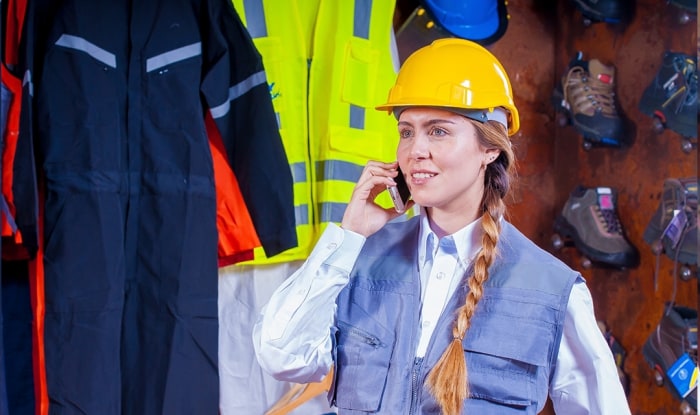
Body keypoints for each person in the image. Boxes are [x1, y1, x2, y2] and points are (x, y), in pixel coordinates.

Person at [253, 38, 631, 415]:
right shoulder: (356, 260)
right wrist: (349, 236)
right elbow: (280, 354)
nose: (415, 150)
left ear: (490, 148)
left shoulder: (551, 290)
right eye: (406, 131)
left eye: (438, 131)